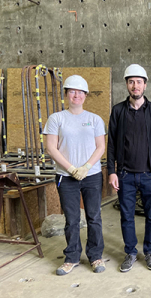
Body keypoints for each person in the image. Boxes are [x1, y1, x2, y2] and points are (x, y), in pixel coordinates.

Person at [107, 64, 151, 273]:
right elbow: (112, 144)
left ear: (145, 85)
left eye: (139, 82)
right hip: (125, 175)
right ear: (126, 84)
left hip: (150, 174)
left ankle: (149, 251)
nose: (135, 86)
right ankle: (131, 252)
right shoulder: (118, 111)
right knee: (126, 216)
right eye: (131, 82)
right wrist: (111, 171)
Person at [44, 75, 106, 275]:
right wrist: (71, 169)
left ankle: (95, 256)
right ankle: (71, 257)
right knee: (71, 219)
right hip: (66, 176)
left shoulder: (94, 119)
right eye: (72, 91)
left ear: (85, 95)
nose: (76, 95)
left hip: (92, 175)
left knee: (94, 217)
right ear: (66, 95)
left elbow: (101, 146)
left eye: (80, 92)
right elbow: (51, 148)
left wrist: (86, 167)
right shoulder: (56, 118)